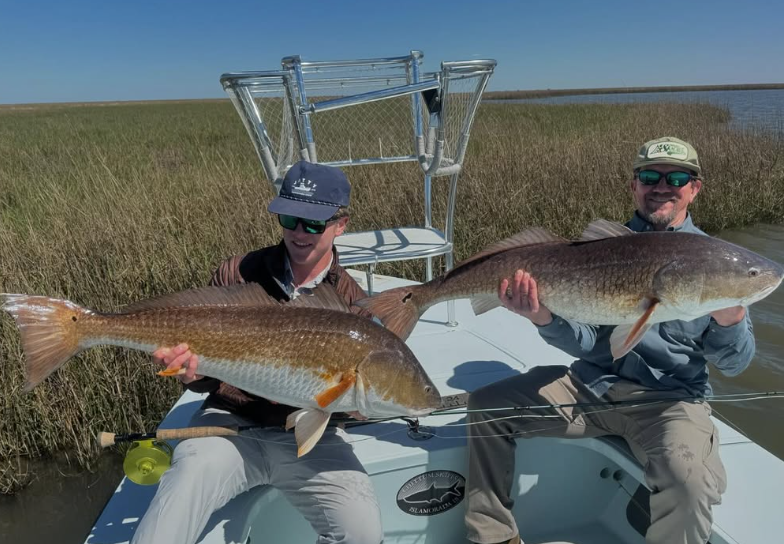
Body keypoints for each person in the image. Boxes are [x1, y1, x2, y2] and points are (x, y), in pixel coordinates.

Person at [465, 137, 753, 544]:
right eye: (650, 176)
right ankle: (492, 536)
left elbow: (736, 364)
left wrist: (732, 317)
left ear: (695, 188)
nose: (662, 186)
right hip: (591, 389)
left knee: (690, 482)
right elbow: (585, 343)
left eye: (677, 177)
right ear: (634, 185)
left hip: (669, 402)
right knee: (487, 406)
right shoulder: (604, 246)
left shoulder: (720, 262)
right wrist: (543, 318)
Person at [132, 161, 383, 544]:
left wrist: (359, 402)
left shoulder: (353, 304)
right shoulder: (238, 273)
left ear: (341, 224)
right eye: (289, 218)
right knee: (170, 513)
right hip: (230, 424)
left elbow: (357, 398)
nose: (299, 233)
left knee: (363, 533)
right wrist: (191, 374)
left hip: (311, 437)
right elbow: (209, 374)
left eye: (314, 223)